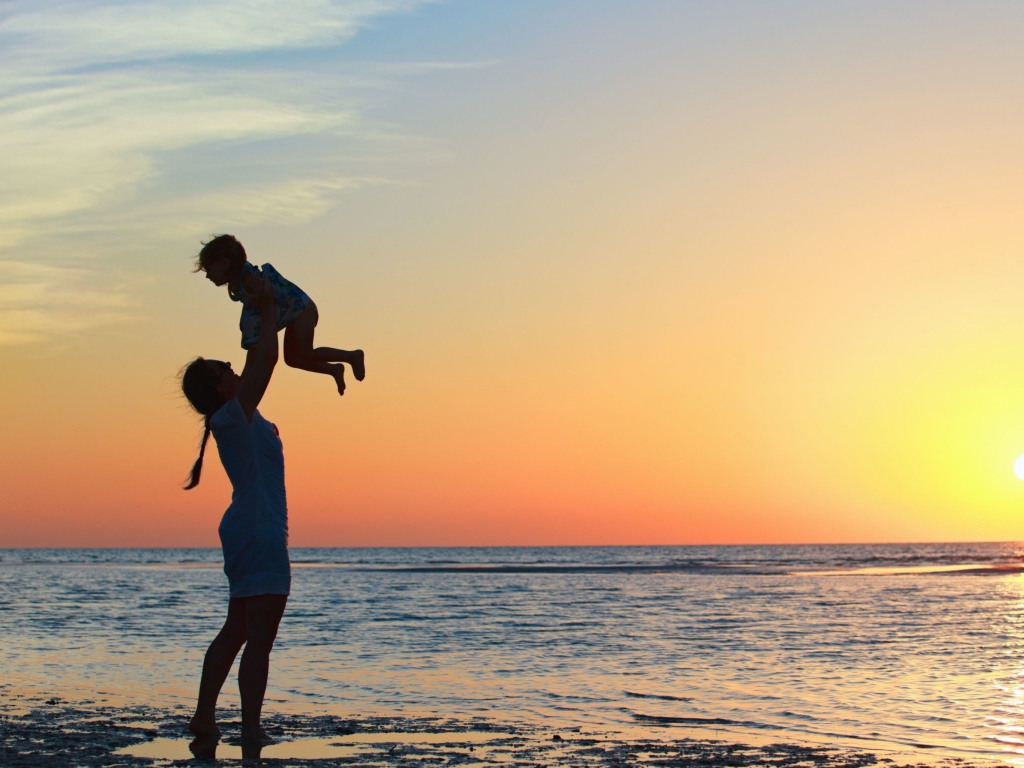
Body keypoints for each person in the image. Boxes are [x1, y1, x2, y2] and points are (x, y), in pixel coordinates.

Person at [180, 275, 289, 748]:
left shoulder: (235, 415)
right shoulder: (233, 413)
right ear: (222, 387)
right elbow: (265, 358)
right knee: (257, 637)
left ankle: (206, 717)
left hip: (250, 528)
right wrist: (267, 307)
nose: (233, 365)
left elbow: (255, 357)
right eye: (226, 366)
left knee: (239, 628)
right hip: (259, 530)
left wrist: (264, 310)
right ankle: (249, 728)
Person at [195, 233, 365, 396]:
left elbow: (255, 337)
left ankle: (351, 356)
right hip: (293, 312)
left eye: (208, 269)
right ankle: (334, 369)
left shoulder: (249, 282)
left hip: (301, 308)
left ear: (225, 263)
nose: (208, 275)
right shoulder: (239, 284)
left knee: (305, 352)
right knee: (292, 359)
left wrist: (245, 381)